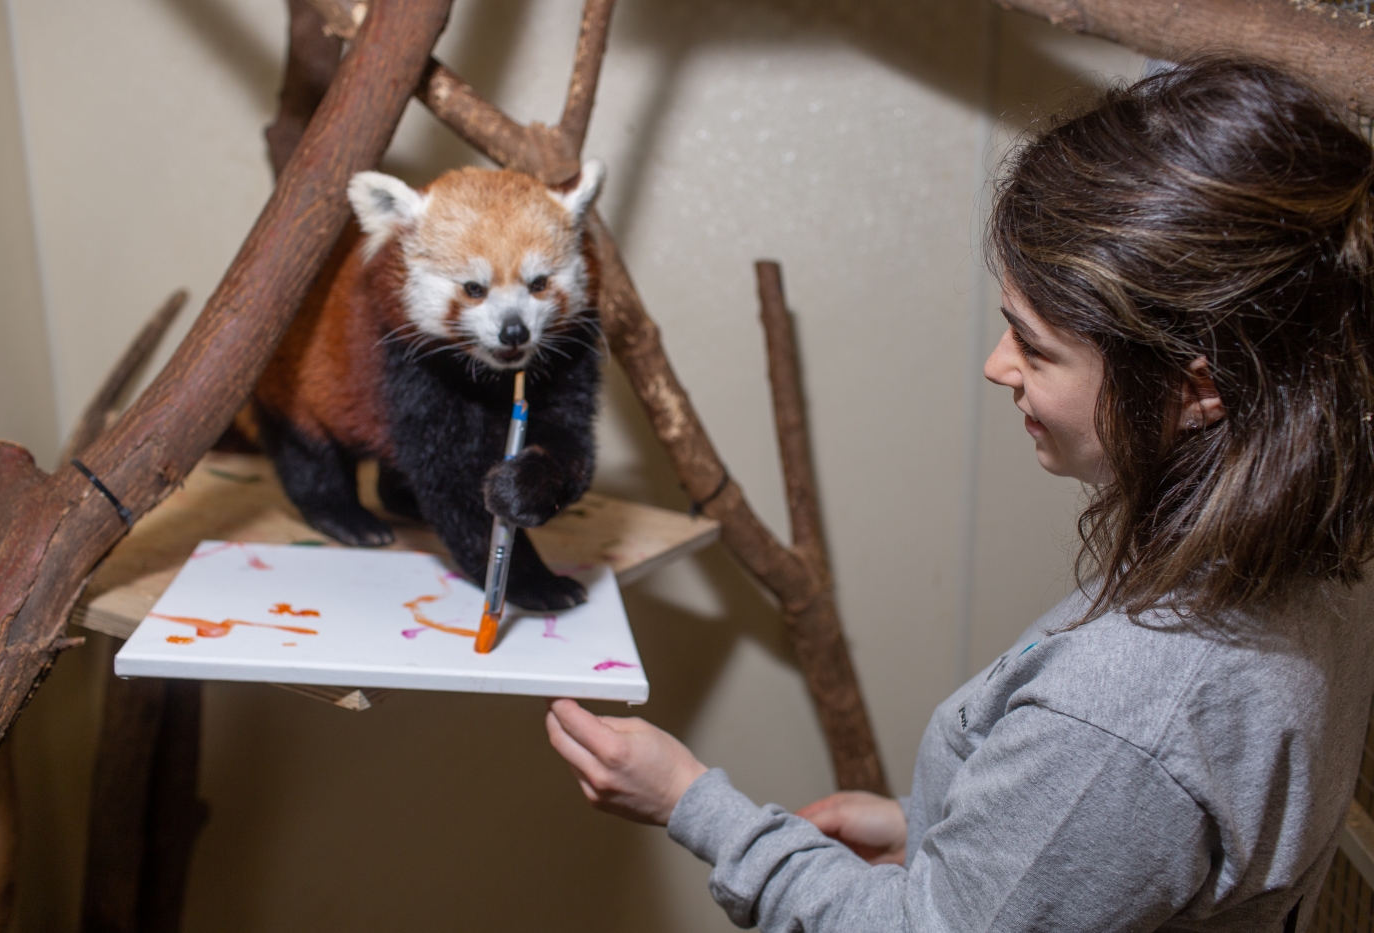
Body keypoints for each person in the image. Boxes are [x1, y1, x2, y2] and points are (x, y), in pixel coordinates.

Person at [546, 59, 1374, 931]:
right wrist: (934, 827)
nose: (997, 365)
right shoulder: (1316, 550)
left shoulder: (1125, 714)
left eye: (1035, 345)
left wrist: (694, 805)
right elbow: (1130, 838)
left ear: (1194, 388)